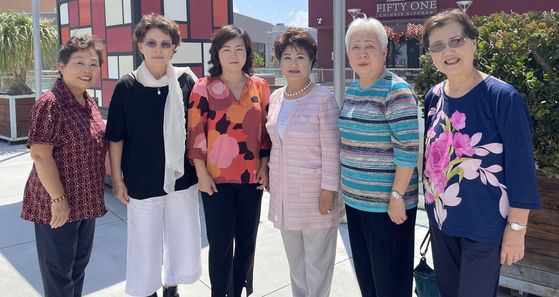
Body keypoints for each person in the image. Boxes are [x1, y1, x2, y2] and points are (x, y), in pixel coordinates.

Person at [421, 9, 541, 297]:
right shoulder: (433, 96)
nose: (447, 51)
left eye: (456, 41)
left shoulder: (502, 97)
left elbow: (522, 169)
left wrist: (516, 229)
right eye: (437, 45)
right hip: (441, 219)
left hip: (485, 226)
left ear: (474, 42)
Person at [105, 14, 201, 297]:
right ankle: (147, 290)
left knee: (180, 237)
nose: (158, 49)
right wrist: (118, 180)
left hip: (182, 177)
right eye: (151, 43)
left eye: (165, 43)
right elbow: (116, 137)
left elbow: (198, 131)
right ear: (140, 46)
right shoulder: (126, 86)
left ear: (174, 47)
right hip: (141, 179)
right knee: (144, 242)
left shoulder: (186, 81)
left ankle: (172, 285)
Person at [187, 25, 271, 297]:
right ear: (217, 54)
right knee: (221, 242)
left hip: (250, 178)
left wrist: (264, 166)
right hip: (216, 180)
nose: (234, 55)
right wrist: (201, 173)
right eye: (226, 50)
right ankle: (220, 293)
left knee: (247, 240)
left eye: (239, 49)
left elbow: (265, 131)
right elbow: (195, 132)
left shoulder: (259, 85)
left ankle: (240, 290)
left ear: (248, 53)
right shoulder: (204, 87)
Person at [339, 17, 420, 297]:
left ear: (384, 52)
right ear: (347, 53)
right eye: (355, 46)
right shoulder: (353, 90)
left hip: (388, 208)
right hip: (356, 201)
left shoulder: (396, 91)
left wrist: (397, 196)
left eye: (370, 46)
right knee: (368, 280)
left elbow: (408, 149)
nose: (362, 53)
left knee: (390, 284)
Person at [21, 35, 107, 297]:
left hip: (86, 202)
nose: (87, 69)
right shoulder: (51, 103)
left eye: (94, 64)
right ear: (61, 65)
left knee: (77, 268)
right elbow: (40, 155)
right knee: (58, 274)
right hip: (58, 204)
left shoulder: (88, 102)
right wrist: (58, 199)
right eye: (79, 62)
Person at [265, 27, 343, 297]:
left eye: (300, 57)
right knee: (296, 263)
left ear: (312, 61)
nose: (293, 63)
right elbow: (276, 144)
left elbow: (333, 149)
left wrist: (328, 191)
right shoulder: (275, 98)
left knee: (317, 264)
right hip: (286, 196)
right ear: (279, 62)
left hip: (316, 195)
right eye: (287, 57)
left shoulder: (323, 99)